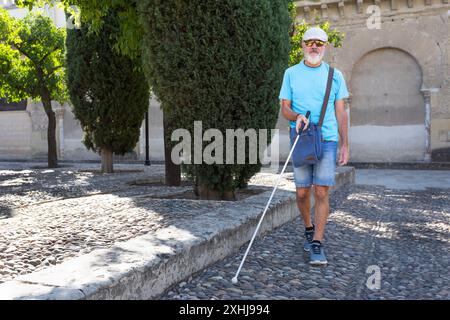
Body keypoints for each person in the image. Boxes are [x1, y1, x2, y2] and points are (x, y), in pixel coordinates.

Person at [279, 26, 350, 265]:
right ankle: (308, 228)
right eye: (309, 42)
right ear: (302, 45)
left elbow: (341, 111)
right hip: (301, 138)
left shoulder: (335, 75)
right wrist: (296, 115)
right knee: (301, 192)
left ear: (325, 47)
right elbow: (285, 108)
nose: (314, 46)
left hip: (327, 139)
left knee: (321, 191)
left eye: (319, 43)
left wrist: (345, 143)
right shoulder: (290, 73)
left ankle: (317, 243)